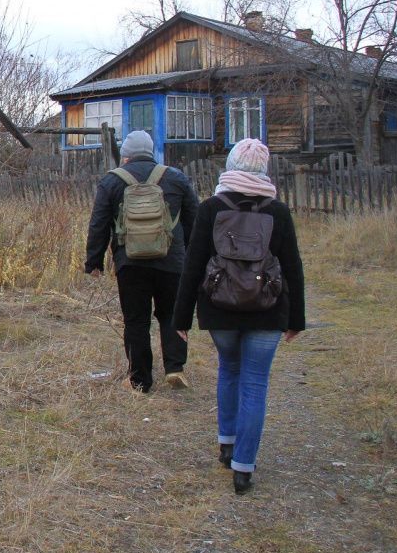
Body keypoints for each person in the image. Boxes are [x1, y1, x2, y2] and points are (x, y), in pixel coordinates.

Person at [173, 138, 305, 495]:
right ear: (264, 169)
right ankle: (243, 467)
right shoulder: (277, 212)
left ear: (229, 166)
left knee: (229, 370)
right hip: (268, 309)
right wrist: (297, 319)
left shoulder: (212, 207)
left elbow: (193, 264)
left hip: (220, 309)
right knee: (255, 383)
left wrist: (181, 318)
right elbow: (292, 267)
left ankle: (226, 444)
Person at [85, 130, 199, 392]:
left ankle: (139, 379)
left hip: (130, 263)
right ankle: (174, 368)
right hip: (172, 262)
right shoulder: (175, 178)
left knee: (136, 320)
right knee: (171, 314)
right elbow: (195, 219)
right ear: (152, 152)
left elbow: (99, 224)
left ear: (125, 156)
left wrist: (94, 261)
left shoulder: (112, 181)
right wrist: (190, 255)